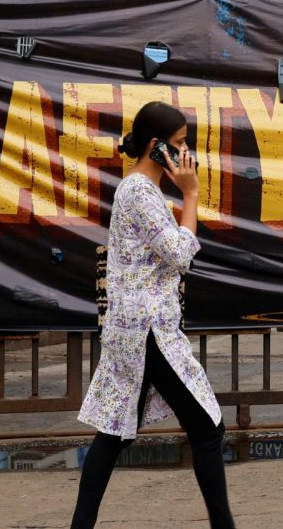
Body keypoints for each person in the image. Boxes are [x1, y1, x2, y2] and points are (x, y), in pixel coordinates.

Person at [72, 101, 236, 528]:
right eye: (179, 145)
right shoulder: (139, 194)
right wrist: (193, 194)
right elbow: (180, 254)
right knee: (207, 429)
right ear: (155, 146)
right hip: (148, 331)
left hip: (140, 328)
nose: (186, 155)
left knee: (113, 433)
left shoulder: (141, 191)